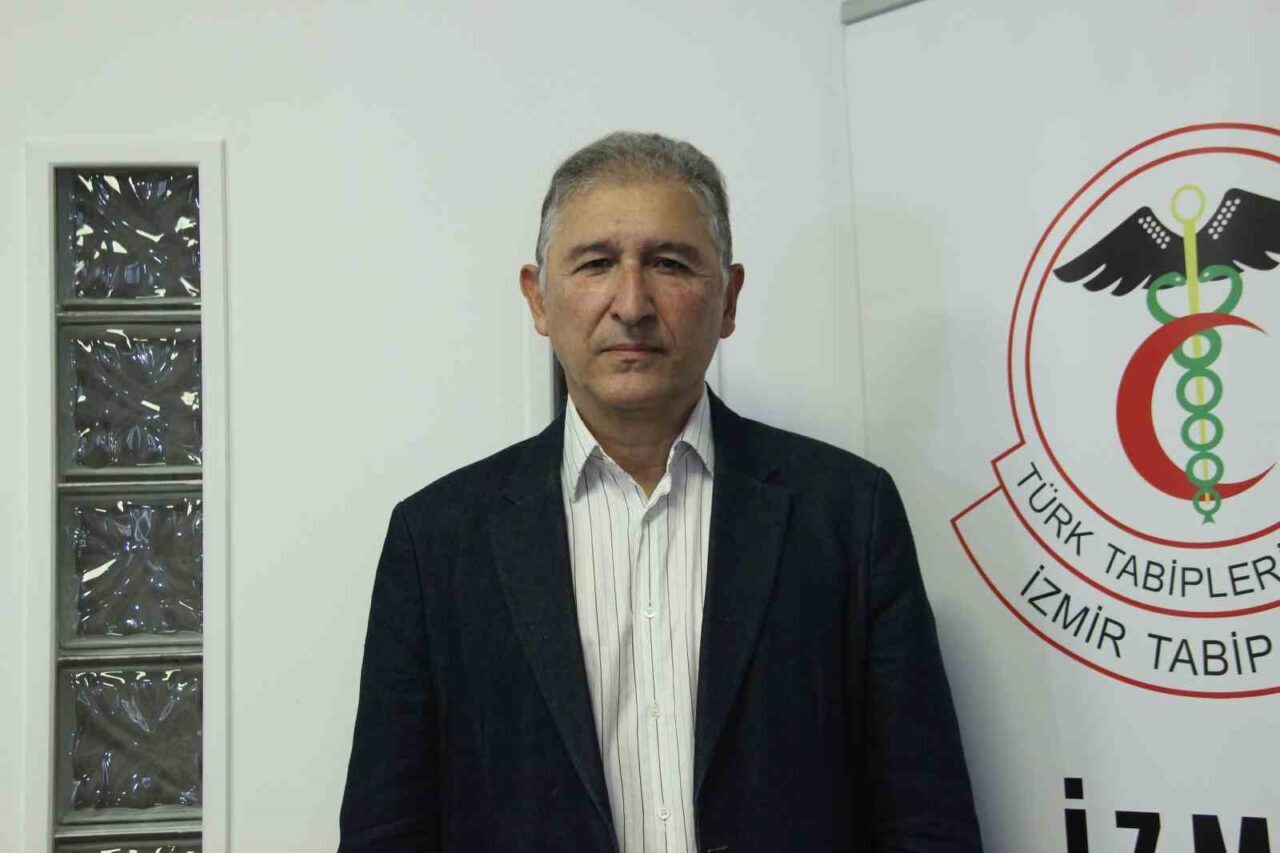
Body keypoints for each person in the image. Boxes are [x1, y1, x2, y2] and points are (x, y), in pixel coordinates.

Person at [338, 132, 983, 852]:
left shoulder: (848, 514)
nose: (632, 304)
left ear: (729, 299)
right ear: (538, 298)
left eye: (670, 263)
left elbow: (927, 822)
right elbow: (386, 832)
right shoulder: (436, 541)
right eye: (596, 263)